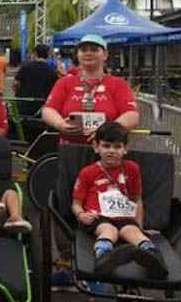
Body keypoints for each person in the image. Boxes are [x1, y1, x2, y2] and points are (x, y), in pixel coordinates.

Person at [71, 121, 166, 277]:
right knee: (109, 230)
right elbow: (76, 203)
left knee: (133, 232)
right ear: (96, 147)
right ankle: (104, 257)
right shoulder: (87, 172)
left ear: (125, 149)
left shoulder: (132, 168)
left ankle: (152, 256)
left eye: (117, 147)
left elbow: (136, 199)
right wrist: (81, 215)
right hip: (98, 217)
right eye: (106, 146)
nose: (111, 151)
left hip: (123, 215)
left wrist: (139, 225)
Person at [42, 34, 139, 144]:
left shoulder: (118, 84)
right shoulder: (65, 82)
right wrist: (60, 124)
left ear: (105, 55)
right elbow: (48, 110)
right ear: (77, 55)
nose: (88, 53)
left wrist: (106, 131)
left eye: (94, 50)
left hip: (106, 148)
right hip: (70, 147)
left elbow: (132, 115)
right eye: (83, 50)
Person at [14, 44, 59, 117]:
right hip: (42, 108)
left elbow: (16, 84)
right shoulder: (52, 71)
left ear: (35, 54)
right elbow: (54, 90)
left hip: (23, 105)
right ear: (48, 55)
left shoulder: (25, 67)